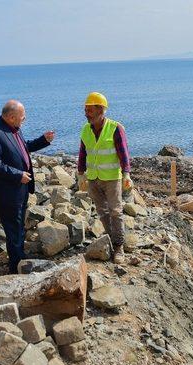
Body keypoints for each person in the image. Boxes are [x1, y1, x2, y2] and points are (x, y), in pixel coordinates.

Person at [0, 100, 55, 274]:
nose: (25, 119)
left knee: (18, 228)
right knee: (13, 230)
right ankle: (16, 267)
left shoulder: (14, 127)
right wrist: (18, 175)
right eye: (22, 117)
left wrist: (42, 141)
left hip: (21, 189)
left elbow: (23, 148)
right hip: (7, 191)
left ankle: (20, 259)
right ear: (11, 117)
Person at [77, 92, 132, 265]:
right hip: (93, 177)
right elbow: (82, 152)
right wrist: (80, 174)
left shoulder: (115, 128)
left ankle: (119, 247)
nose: (86, 113)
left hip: (111, 178)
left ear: (101, 110)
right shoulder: (86, 129)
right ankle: (110, 239)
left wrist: (127, 174)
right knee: (102, 211)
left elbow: (123, 153)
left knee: (116, 211)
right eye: (85, 110)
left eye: (90, 110)